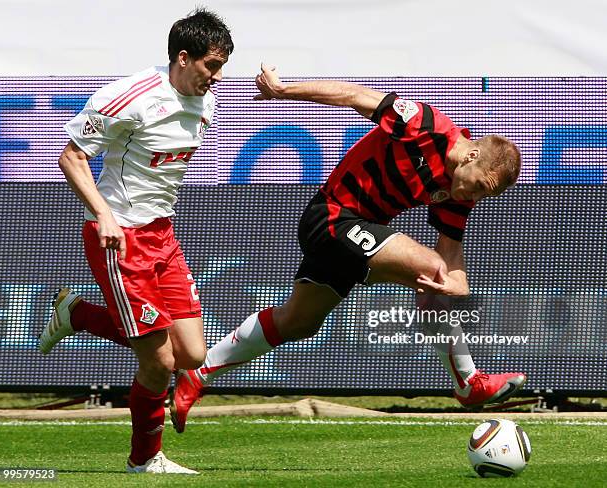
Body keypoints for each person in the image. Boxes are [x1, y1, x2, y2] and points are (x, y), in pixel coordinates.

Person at [169, 64, 527, 434]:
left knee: (298, 322)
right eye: (481, 187)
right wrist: (282, 91)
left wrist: (459, 288)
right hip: (330, 217)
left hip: (348, 235)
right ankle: (468, 384)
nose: (476, 196)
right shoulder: (427, 126)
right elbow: (354, 95)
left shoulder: (458, 189)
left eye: (487, 194)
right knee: (431, 271)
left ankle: (197, 372)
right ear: (471, 157)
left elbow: (451, 252)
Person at [38, 8, 233, 474]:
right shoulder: (130, 96)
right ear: (182, 58)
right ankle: (144, 461)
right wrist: (103, 215)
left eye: (222, 66)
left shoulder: (205, 103)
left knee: (192, 355)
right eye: (211, 65)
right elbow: (70, 156)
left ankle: (77, 313)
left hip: (162, 235)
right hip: (118, 238)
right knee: (160, 362)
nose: (217, 76)